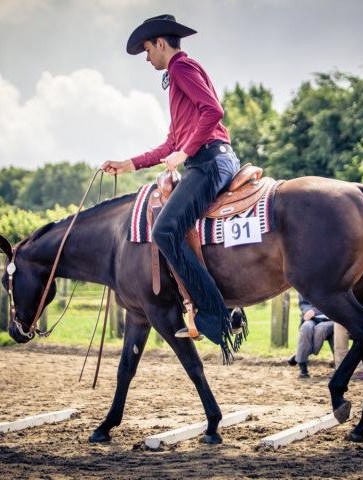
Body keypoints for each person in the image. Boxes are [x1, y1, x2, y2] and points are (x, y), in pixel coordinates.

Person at [101, 15, 240, 351]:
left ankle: (214, 314)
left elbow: (213, 111)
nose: (147, 59)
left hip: (209, 161)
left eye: (147, 51)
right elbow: (170, 143)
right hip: (209, 157)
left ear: (160, 43)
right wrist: (130, 164)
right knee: (168, 228)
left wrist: (186, 152)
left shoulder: (180, 68)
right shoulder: (179, 75)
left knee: (164, 231)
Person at [287, 294, 334, 378]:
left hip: (330, 319)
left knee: (321, 329)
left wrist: (315, 311)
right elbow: (303, 304)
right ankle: (303, 368)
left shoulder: (333, 282)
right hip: (312, 319)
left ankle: (299, 356)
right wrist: (308, 311)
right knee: (306, 327)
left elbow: (334, 303)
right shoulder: (305, 283)